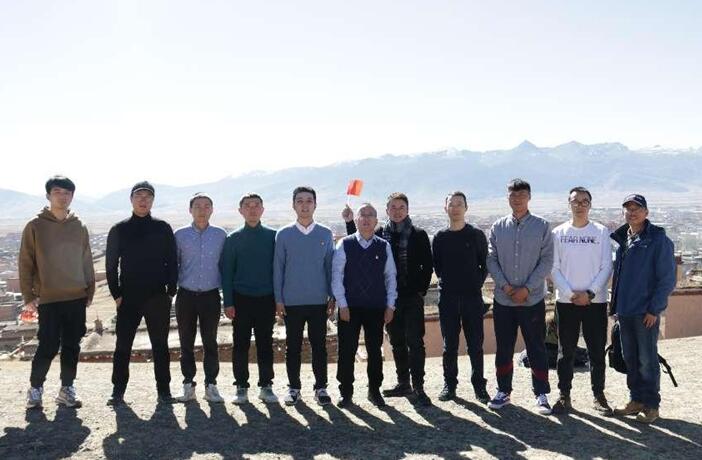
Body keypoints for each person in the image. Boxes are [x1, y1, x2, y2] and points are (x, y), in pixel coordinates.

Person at [343, 192, 433, 406]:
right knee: (396, 341)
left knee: (415, 341)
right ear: (387, 211)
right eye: (393, 207)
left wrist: (420, 290)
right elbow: (359, 244)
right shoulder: (380, 234)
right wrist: (349, 222)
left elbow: (427, 265)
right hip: (388, 299)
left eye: (401, 207)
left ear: (407, 210)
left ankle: (419, 386)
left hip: (411, 297)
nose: (397, 211)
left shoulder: (418, 234)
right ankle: (404, 383)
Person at [20, 175, 95, 409]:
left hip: (76, 296)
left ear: (72, 196)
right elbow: (25, 262)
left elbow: (86, 258)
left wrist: (90, 289)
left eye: (67, 193)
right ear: (48, 195)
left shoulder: (79, 225)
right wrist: (28, 296)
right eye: (57, 192)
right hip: (49, 298)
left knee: (72, 345)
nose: (62, 197)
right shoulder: (35, 226)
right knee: (48, 345)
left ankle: (67, 389)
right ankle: (35, 389)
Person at [106, 181, 178, 405]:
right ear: (131, 199)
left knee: (160, 345)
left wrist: (171, 291)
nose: (143, 200)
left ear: (153, 200)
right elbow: (111, 265)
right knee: (123, 345)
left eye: (148, 196)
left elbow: (172, 261)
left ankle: (164, 391)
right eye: (139, 196)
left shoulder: (163, 227)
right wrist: (116, 294)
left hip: (157, 296)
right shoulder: (119, 229)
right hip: (128, 297)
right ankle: (118, 391)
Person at [486, 178, 554, 415]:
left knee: (536, 346)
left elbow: (547, 261)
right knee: (504, 347)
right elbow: (491, 259)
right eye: (513, 195)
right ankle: (503, 391)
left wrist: (527, 288)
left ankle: (541, 394)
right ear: (507, 197)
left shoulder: (542, 226)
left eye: (522, 195)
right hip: (503, 300)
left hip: (532, 299)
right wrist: (506, 287)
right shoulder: (497, 227)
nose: (517, 199)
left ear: (529, 197)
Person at [611, 194, 675, 424]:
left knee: (647, 361)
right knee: (630, 359)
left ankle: (651, 405)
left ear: (646, 212)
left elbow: (667, 279)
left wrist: (654, 309)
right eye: (628, 209)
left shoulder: (658, 240)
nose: (632, 212)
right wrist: (615, 308)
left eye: (637, 208)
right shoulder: (623, 239)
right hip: (625, 311)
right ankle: (636, 400)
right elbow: (619, 277)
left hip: (645, 313)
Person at [551, 187, 613, 415]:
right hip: (566, 302)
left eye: (584, 201)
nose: (580, 205)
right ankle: (564, 395)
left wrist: (590, 293)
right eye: (575, 201)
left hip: (595, 302)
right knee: (565, 351)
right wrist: (570, 294)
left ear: (590, 205)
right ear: (569, 204)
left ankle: (598, 395)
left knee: (596, 351)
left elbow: (607, 266)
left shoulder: (601, 232)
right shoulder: (558, 233)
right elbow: (553, 268)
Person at [274, 186, 335, 406]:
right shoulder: (284, 234)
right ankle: (294, 388)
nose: (304, 205)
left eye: (309, 201)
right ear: (293, 205)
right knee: (293, 347)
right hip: (292, 302)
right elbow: (278, 268)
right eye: (299, 201)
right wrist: (279, 299)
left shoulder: (325, 233)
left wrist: (332, 296)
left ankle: (321, 388)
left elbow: (330, 267)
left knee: (319, 346)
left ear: (315, 205)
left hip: (319, 301)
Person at [332, 203, 397, 408]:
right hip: (349, 308)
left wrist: (390, 305)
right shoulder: (345, 244)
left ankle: (374, 391)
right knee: (346, 350)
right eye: (363, 215)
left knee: (375, 351)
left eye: (371, 215)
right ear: (356, 219)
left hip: (375, 307)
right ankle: (346, 392)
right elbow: (336, 276)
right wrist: (342, 304)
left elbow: (390, 277)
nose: (367, 218)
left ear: (377, 221)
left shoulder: (383, 246)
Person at [432, 191, 490, 404]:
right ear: (445, 208)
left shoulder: (476, 235)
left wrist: (474, 284)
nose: (455, 208)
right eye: (451, 204)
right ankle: (450, 385)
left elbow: (484, 265)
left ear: (466, 207)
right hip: (447, 298)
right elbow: (438, 267)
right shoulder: (440, 238)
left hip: (472, 298)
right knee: (449, 346)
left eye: (459, 204)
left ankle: (479, 385)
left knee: (475, 345)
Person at [221, 193, 279, 404]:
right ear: (241, 211)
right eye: (247, 205)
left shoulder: (273, 236)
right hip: (241, 299)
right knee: (240, 344)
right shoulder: (233, 238)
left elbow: (279, 270)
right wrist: (228, 302)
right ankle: (241, 387)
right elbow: (227, 273)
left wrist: (279, 300)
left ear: (262, 209)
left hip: (267, 298)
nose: (252, 209)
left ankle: (266, 386)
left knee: (265, 343)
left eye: (256, 205)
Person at [174, 193, 226, 403]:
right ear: (190, 210)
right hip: (186, 295)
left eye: (206, 206)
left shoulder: (221, 235)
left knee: (210, 341)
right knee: (185, 342)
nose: (202, 210)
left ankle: (211, 385)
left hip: (211, 295)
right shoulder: (180, 235)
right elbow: (174, 264)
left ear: (212, 210)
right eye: (197, 206)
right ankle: (188, 385)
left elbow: (224, 265)